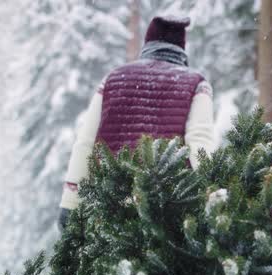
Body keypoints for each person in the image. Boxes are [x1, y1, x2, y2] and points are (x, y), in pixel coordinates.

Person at [58, 16, 214, 227]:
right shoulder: (196, 83)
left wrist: (70, 203)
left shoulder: (113, 78)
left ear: (147, 44)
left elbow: (85, 142)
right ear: (181, 49)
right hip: (168, 211)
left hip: (111, 207)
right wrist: (215, 200)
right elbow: (199, 142)